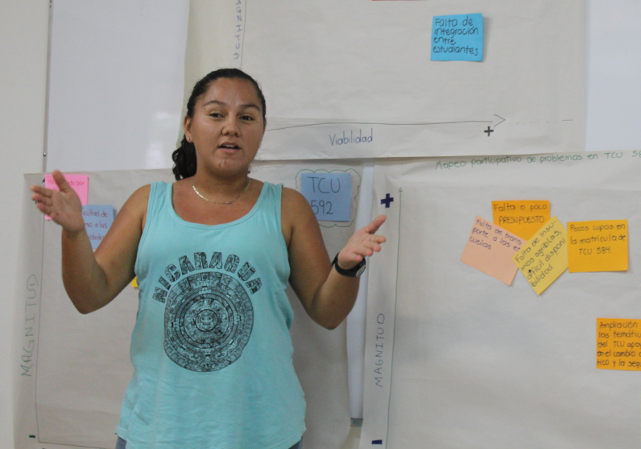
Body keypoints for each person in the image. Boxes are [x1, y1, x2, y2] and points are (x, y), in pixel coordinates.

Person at [30, 68, 386, 449]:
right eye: (216, 114)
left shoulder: (287, 208)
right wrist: (74, 232)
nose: (231, 127)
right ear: (188, 125)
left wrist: (346, 267)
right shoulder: (146, 204)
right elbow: (88, 296)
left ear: (262, 131)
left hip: (262, 432)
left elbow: (326, 312)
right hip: (158, 432)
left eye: (246, 117)